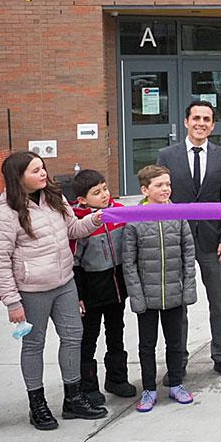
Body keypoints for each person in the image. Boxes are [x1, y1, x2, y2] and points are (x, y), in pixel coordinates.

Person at [0, 150, 108, 430]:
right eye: (35, 170)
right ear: (18, 178)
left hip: (64, 282)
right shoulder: (5, 215)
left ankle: (73, 399)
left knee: (73, 338)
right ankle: (37, 404)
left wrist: (94, 220)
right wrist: (12, 302)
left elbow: (73, 230)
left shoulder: (55, 198)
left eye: (42, 168)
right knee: (34, 346)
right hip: (31, 291)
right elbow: (0, 263)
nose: (43, 174)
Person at [156, 99, 221, 380]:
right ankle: (177, 361)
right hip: (176, 242)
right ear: (186, 121)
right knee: (177, 306)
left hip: (213, 242)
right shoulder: (167, 155)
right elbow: (158, 199)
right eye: (196, 118)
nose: (201, 123)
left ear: (212, 125)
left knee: (219, 302)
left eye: (206, 119)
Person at [123, 165, 197, 412]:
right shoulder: (134, 220)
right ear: (145, 190)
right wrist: (137, 296)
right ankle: (149, 389)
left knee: (175, 342)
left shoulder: (178, 214)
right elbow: (129, 262)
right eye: (159, 185)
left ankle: (176, 383)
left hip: (174, 294)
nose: (165, 189)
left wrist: (188, 288)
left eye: (167, 184)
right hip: (147, 295)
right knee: (147, 345)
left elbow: (188, 253)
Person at [71, 168, 136, 406]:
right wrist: (78, 294)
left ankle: (117, 379)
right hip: (91, 290)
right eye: (96, 192)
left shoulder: (120, 213)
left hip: (117, 287)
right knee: (89, 338)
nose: (104, 195)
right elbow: (74, 262)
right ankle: (87, 385)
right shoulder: (79, 223)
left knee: (116, 332)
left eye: (105, 189)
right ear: (82, 199)